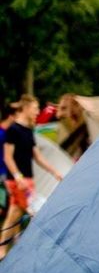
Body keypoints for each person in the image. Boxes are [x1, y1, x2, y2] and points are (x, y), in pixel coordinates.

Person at [0, 94, 64, 259]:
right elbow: (7, 157)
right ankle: (15, 247)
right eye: (35, 108)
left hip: (27, 179)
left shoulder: (28, 130)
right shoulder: (13, 130)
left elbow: (37, 156)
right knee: (33, 211)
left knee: (16, 213)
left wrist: (54, 172)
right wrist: (18, 176)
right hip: (18, 180)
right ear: (26, 108)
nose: (37, 112)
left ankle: (6, 248)